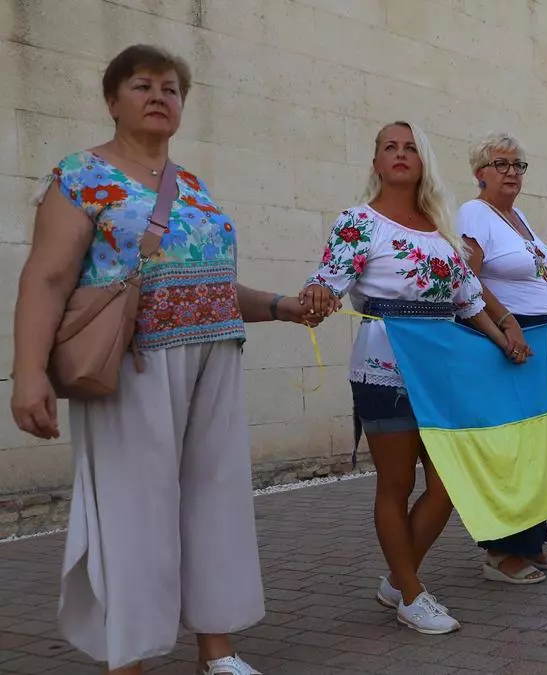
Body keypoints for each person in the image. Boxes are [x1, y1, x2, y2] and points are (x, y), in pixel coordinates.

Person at [9, 45, 328, 675]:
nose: (159, 96)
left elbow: (205, 282)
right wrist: (27, 375)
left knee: (217, 501)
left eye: (171, 88)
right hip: (132, 364)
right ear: (112, 100)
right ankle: (129, 658)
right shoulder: (79, 176)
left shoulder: (192, 187)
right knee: (136, 511)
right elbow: (44, 280)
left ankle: (219, 649)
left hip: (215, 356)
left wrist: (280, 305)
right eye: (142, 85)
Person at [300, 121, 522, 634]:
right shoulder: (359, 222)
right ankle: (412, 592)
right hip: (385, 366)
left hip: (442, 367)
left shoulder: (440, 226)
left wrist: (504, 336)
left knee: (449, 483)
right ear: (376, 161)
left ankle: (399, 582)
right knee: (396, 484)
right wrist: (312, 296)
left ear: (422, 161)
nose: (399, 155)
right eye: (389, 148)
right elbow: (327, 279)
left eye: (409, 148)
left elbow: (467, 299)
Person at [454, 132, 547, 583]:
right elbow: (465, 279)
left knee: (533, 446)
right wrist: (505, 323)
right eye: (501, 164)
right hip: (510, 342)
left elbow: (534, 274)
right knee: (509, 445)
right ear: (480, 172)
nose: (511, 172)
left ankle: (532, 541)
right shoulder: (475, 213)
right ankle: (499, 552)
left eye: (518, 165)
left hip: (539, 335)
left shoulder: (517, 215)